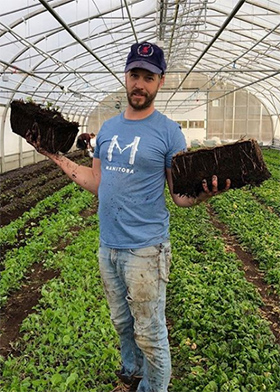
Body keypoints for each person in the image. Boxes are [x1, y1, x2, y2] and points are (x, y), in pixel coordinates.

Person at [26, 41, 230, 392]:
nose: (140, 84)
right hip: (109, 247)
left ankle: (154, 388)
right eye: (134, 75)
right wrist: (54, 156)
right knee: (122, 322)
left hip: (145, 250)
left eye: (148, 77)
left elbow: (179, 196)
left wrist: (204, 193)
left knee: (150, 332)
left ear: (160, 82)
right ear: (126, 77)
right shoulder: (107, 129)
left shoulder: (169, 132)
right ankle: (132, 376)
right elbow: (96, 181)